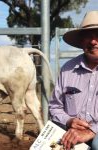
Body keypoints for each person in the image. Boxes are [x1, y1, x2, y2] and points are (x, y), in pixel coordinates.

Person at [49, 11, 98, 150]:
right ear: (81, 41)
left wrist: (91, 131)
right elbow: (54, 107)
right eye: (88, 36)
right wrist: (69, 121)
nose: (93, 41)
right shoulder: (67, 69)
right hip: (71, 133)